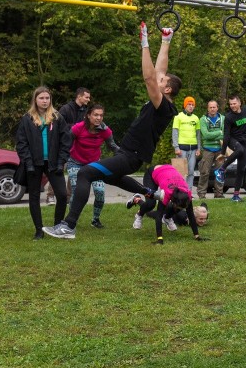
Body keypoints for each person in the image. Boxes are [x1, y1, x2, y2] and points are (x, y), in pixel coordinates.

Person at [43, 22, 181, 239]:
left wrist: (144, 43)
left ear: (168, 88)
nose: (157, 78)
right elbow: (159, 70)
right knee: (110, 177)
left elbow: (148, 77)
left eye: (161, 81)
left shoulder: (163, 105)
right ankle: (152, 193)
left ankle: (68, 226)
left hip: (131, 155)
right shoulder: (161, 102)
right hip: (130, 154)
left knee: (86, 172)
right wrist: (165, 40)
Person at [15, 86, 71, 240]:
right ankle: (39, 230)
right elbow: (21, 143)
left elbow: (66, 141)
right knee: (34, 197)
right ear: (35, 100)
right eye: (42, 98)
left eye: (47, 98)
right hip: (34, 163)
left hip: (54, 163)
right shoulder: (27, 118)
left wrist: (61, 162)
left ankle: (57, 227)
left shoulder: (57, 117)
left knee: (61, 195)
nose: (45, 101)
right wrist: (28, 163)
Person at [67, 104, 120, 229]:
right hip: (75, 162)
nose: (98, 118)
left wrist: (126, 157)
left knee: (100, 193)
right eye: (96, 115)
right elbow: (66, 144)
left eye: (101, 115)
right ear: (88, 115)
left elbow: (113, 147)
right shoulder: (78, 128)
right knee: (77, 192)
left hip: (95, 164)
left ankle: (95, 220)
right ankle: (70, 221)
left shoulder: (105, 131)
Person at [126, 164, 208, 244]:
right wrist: (160, 239)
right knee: (151, 204)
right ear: (174, 200)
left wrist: (197, 236)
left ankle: (167, 218)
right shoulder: (167, 194)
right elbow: (158, 215)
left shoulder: (187, 195)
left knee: (176, 208)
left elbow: (190, 214)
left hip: (168, 172)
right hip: (152, 174)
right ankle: (139, 211)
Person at [44, 87, 91, 205]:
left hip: (77, 146)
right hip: (63, 145)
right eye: (86, 97)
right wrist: (75, 127)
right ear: (79, 96)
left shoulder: (85, 111)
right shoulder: (65, 109)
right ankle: (50, 196)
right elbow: (58, 125)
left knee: (73, 172)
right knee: (58, 170)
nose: (88, 100)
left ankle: (69, 197)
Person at [215, 95, 246, 202]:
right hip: (232, 140)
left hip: (243, 141)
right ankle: (221, 169)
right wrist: (223, 152)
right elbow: (226, 135)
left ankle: (236, 196)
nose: (232, 106)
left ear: (239, 103)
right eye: (231, 104)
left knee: (241, 169)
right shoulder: (228, 117)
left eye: (234, 103)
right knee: (240, 150)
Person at [172, 96, 201, 190]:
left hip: (193, 149)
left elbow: (198, 135)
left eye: (193, 105)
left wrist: (199, 148)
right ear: (185, 105)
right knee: (180, 171)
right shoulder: (178, 117)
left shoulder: (196, 118)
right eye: (189, 104)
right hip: (181, 149)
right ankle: (179, 190)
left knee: (191, 171)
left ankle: (188, 191)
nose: (191, 106)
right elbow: (175, 133)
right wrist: (176, 147)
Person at [197, 100, 225, 199]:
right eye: (210, 107)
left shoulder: (223, 119)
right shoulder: (203, 120)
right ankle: (201, 194)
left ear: (217, 108)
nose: (212, 109)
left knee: (220, 172)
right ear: (207, 108)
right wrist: (219, 132)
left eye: (214, 107)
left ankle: (219, 193)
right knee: (204, 172)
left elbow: (225, 134)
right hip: (207, 149)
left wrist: (215, 134)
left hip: (220, 150)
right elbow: (206, 135)